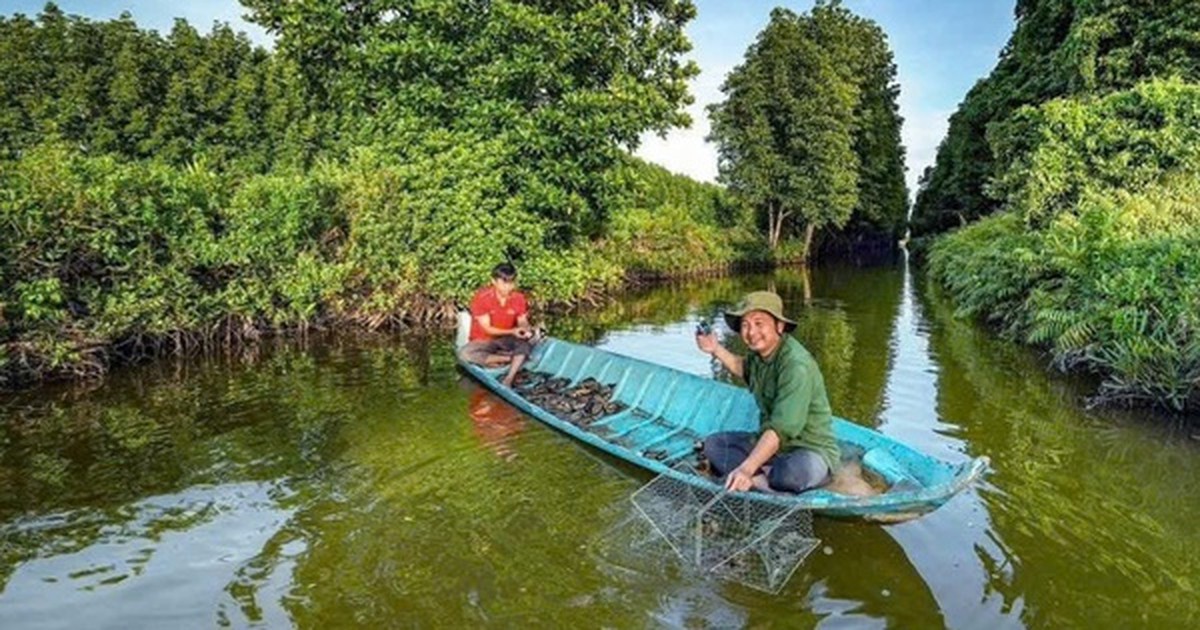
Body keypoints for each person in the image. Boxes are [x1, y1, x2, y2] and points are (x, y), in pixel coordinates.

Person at [695, 291, 840, 493]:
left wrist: (746, 469)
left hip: (809, 450)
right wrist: (715, 348)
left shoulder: (796, 366)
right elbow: (742, 367)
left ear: (779, 326)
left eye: (759, 323)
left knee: (789, 474)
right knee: (714, 445)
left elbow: (781, 429)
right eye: (745, 325)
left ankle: (759, 479)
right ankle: (765, 483)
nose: (751, 332)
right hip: (776, 448)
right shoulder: (759, 355)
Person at [457, 262, 536, 386]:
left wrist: (524, 329)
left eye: (511, 283)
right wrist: (512, 331)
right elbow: (488, 329)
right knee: (465, 354)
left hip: (507, 339)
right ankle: (511, 359)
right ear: (494, 281)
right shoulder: (482, 298)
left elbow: (522, 320)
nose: (508, 287)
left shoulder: (518, 298)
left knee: (526, 343)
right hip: (484, 339)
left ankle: (509, 378)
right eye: (504, 283)